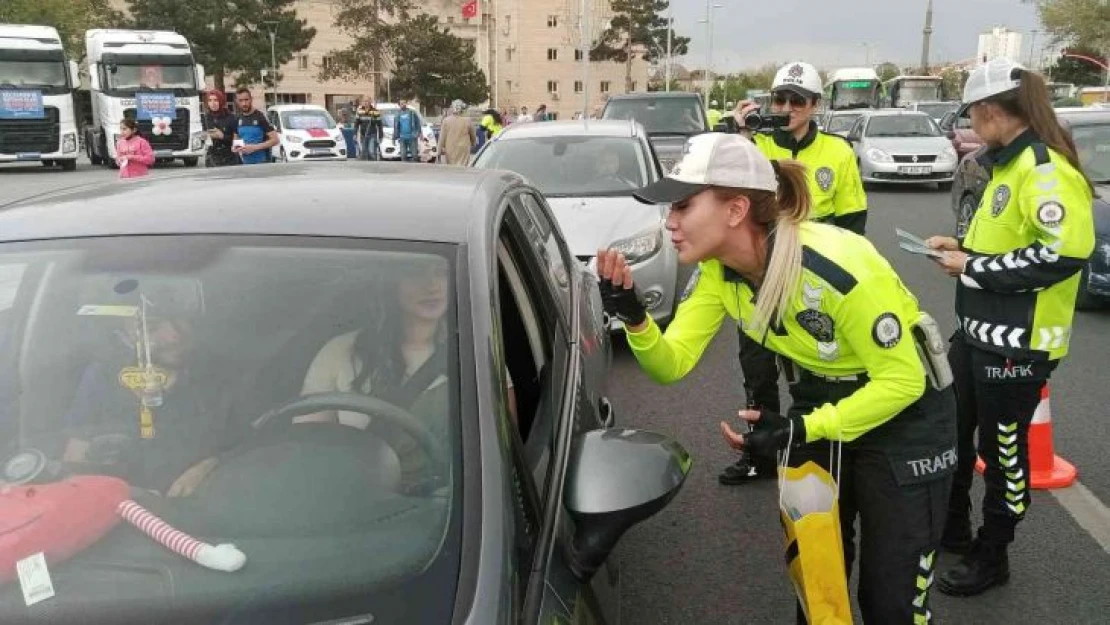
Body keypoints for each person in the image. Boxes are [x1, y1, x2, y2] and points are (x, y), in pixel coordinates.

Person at [597, 132, 956, 624]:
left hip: (907, 419)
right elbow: (671, 363)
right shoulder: (720, 274)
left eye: (682, 206)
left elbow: (902, 383)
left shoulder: (838, 267)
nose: (670, 222)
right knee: (817, 587)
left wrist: (802, 429)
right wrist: (634, 316)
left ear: (735, 209)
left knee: (891, 601)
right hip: (820, 404)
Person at [923, 59, 1095, 597]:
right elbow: (1009, 246)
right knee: (949, 430)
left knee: (1002, 453)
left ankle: (993, 553)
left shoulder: (1043, 170)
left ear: (993, 111)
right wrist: (965, 250)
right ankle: (954, 528)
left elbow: (1063, 252)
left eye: (973, 114)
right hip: (975, 333)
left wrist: (972, 267)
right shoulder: (1005, 167)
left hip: (1017, 345)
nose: (972, 125)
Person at [720, 61, 868, 486]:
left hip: (812, 283)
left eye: (796, 100)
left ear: (815, 105)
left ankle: (814, 450)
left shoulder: (838, 152)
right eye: (779, 99)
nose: (786, 107)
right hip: (757, 281)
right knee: (758, 372)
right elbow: (724, 191)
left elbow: (854, 224)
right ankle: (760, 453)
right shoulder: (754, 144)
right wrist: (738, 133)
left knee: (813, 374)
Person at [299, 257, 517, 492]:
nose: (431, 285)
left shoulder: (477, 354)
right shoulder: (341, 352)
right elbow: (307, 446)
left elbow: (503, 455)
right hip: (353, 502)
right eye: (415, 272)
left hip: (448, 512)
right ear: (391, 281)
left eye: (441, 273)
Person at [61, 280, 227, 496]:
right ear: (124, 336)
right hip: (119, 510)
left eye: (178, 320)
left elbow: (250, 446)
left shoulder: (217, 373)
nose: (174, 335)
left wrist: (207, 467)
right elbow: (76, 459)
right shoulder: (101, 377)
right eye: (152, 327)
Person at [232, 88, 279, 165]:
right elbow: (236, 139)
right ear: (237, 102)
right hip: (246, 164)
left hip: (263, 163)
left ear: (251, 99)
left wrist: (254, 147)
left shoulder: (260, 117)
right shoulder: (237, 118)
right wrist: (237, 148)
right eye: (240, 100)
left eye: (246, 100)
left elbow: (275, 140)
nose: (244, 103)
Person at [201, 90, 238, 167]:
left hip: (230, 159)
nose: (213, 103)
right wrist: (204, 137)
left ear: (221, 101)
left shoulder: (231, 117)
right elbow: (202, 140)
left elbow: (238, 144)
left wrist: (222, 136)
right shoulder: (205, 118)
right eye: (210, 100)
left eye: (216, 100)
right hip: (212, 159)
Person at [438, 99, 477, 166]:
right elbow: (473, 135)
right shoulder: (468, 120)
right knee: (463, 166)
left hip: (450, 148)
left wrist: (439, 151)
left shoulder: (446, 121)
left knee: (452, 167)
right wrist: (473, 143)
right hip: (463, 148)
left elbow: (442, 138)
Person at [393, 99, 424, 163]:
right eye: (401, 103)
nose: (403, 104)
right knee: (403, 155)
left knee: (414, 155)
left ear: (406, 104)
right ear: (399, 105)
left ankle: (415, 168)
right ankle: (405, 170)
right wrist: (393, 138)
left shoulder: (412, 112)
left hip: (412, 136)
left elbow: (418, 123)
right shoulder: (397, 115)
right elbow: (395, 127)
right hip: (402, 137)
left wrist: (420, 133)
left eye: (404, 103)